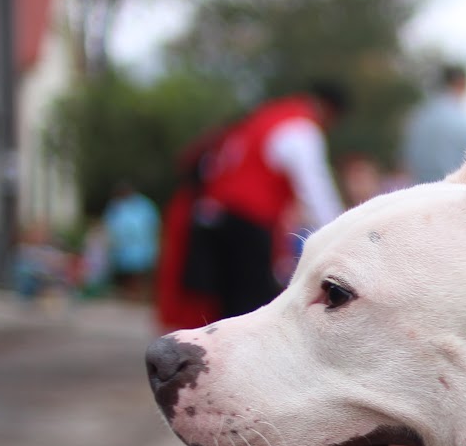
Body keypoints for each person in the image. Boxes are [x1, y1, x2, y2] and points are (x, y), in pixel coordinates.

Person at [183, 82, 350, 321]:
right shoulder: (301, 127)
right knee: (249, 306)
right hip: (249, 223)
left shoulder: (265, 117)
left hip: (219, 218)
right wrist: (339, 231)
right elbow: (313, 187)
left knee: (225, 305)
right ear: (331, 111)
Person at [401, 63, 466, 184]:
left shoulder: (416, 119)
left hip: (419, 194)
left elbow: (405, 162)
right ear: (462, 83)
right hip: (454, 196)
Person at [102, 181, 161, 302]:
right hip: (124, 247)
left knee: (142, 271)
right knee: (129, 272)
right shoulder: (116, 205)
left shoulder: (144, 205)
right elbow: (109, 224)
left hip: (142, 245)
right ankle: (132, 294)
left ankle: (142, 294)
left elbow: (153, 223)